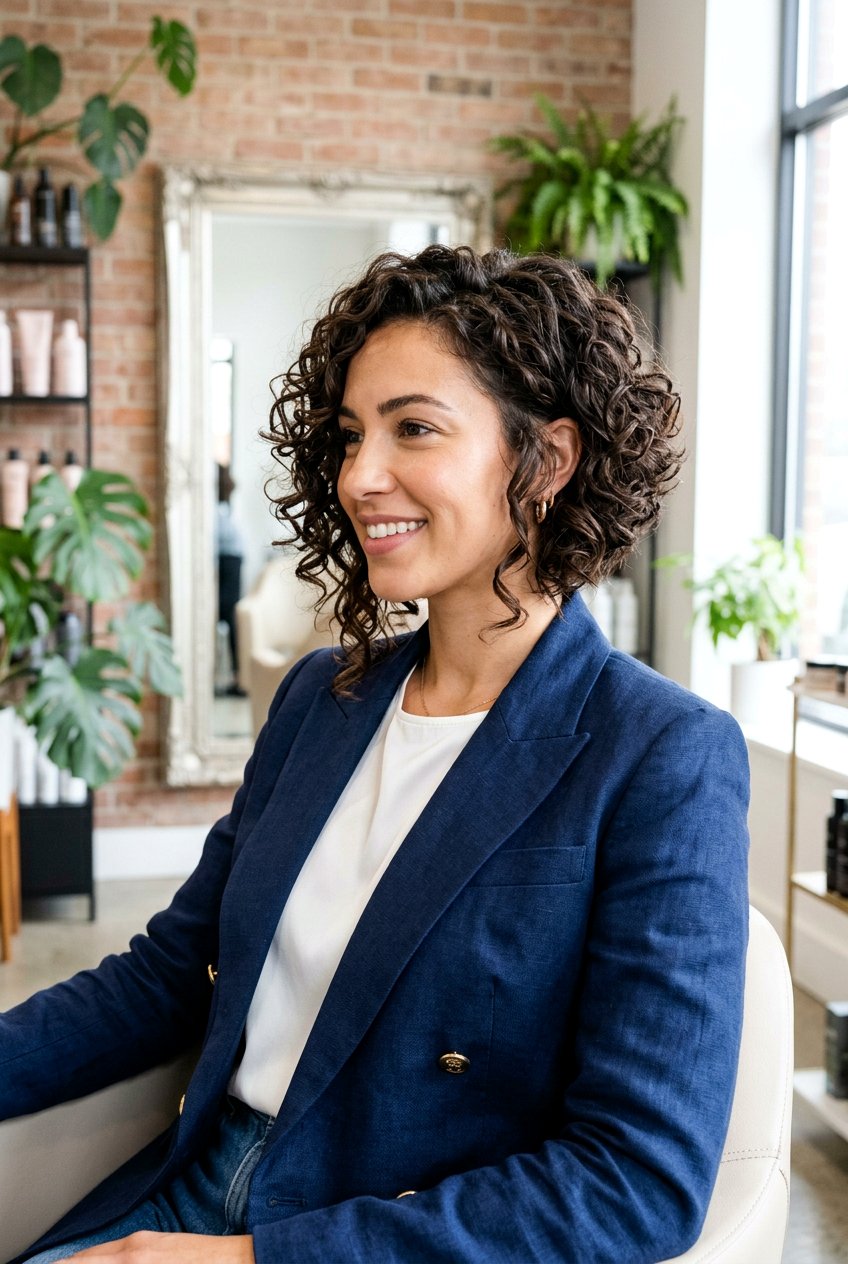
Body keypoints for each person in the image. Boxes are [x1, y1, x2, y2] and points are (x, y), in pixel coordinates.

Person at [4, 246, 749, 1264]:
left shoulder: (658, 754)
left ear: (548, 460)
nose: (359, 475)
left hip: (375, 1236)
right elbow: (171, 976)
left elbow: (634, 1180)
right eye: (352, 435)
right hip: (188, 1186)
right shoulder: (323, 698)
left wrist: (247, 1261)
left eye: (414, 429)